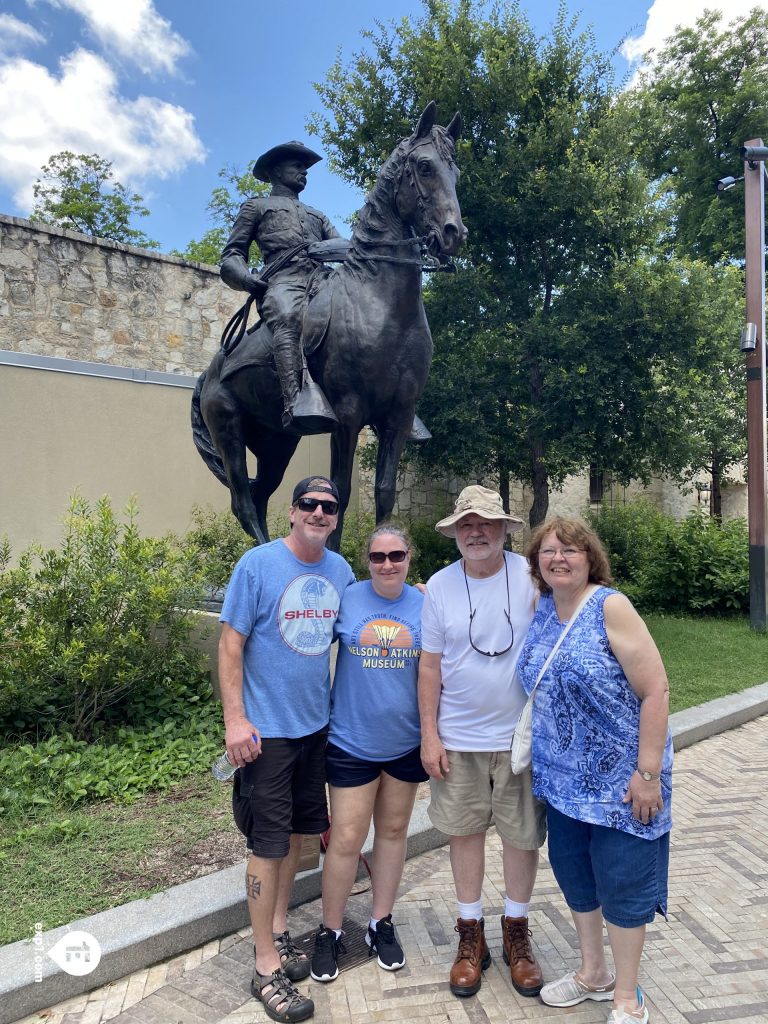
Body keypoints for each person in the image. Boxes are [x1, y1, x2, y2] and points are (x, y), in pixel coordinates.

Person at [518, 516, 673, 1024]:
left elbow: (656, 691)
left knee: (623, 885)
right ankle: (593, 974)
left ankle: (627, 996)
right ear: (536, 562)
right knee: (577, 877)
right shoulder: (543, 607)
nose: (558, 558)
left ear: (591, 559)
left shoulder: (611, 606)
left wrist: (647, 773)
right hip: (562, 783)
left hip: (622, 783)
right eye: (548, 551)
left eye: (570, 550)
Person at [218, 475, 354, 1023]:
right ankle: (263, 965)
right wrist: (235, 720)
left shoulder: (340, 572)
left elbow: (362, 624)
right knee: (267, 843)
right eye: (310, 504)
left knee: (298, 834)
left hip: (313, 728)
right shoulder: (258, 565)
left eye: (329, 506)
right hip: (266, 733)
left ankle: (277, 930)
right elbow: (232, 642)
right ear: (292, 512)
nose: (320, 513)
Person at [418, 485, 546, 999]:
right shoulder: (442, 587)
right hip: (459, 737)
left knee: (521, 836)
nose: (476, 532)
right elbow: (429, 667)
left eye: (486, 524)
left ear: (503, 531)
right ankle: (470, 933)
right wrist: (429, 735)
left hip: (519, 738)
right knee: (464, 832)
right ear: (454, 534)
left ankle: (516, 930)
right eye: (466, 525)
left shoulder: (531, 577)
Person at [310, 525, 427, 983]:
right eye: (378, 557)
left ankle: (381, 922)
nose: (387, 564)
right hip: (351, 741)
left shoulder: (425, 604)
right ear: (367, 561)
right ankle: (331, 930)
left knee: (394, 832)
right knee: (346, 839)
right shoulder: (348, 598)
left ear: (409, 557)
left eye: (396, 555)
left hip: (405, 742)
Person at [220, 141, 341, 430]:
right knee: (288, 314)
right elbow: (231, 255)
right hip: (283, 281)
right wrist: (247, 278)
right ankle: (295, 402)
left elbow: (340, 246)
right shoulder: (256, 207)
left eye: (306, 168)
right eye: (297, 166)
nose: (304, 173)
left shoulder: (317, 215)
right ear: (276, 170)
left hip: (322, 279)